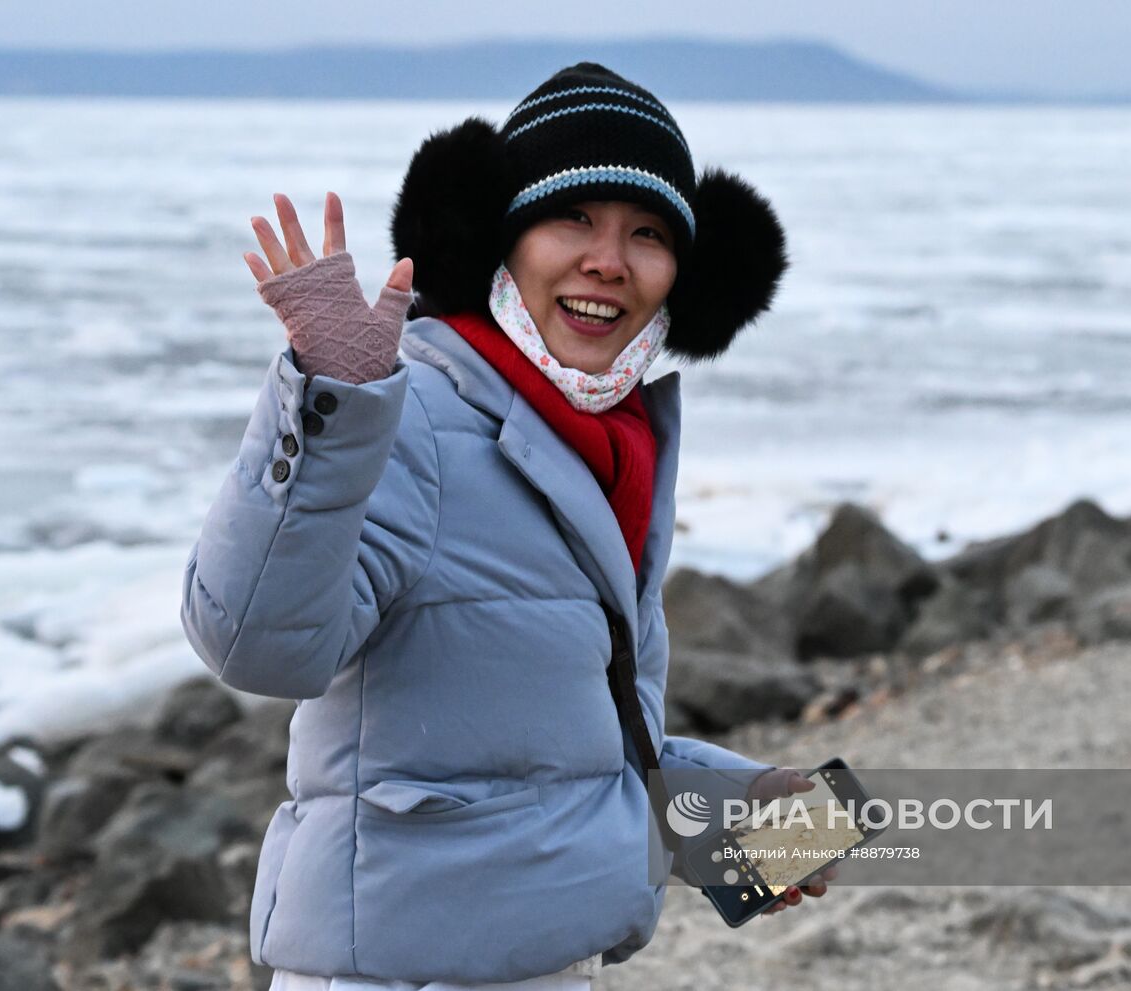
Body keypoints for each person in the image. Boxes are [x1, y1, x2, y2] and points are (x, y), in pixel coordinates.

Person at [180, 62, 835, 990]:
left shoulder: (612, 447)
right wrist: (329, 406)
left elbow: (557, 755)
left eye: (646, 232)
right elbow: (255, 647)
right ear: (499, 238)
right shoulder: (410, 423)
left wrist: (741, 812)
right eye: (573, 218)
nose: (608, 259)